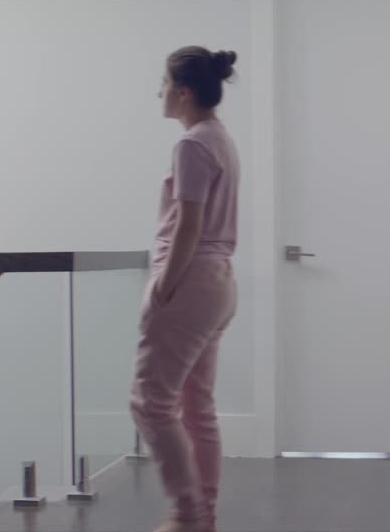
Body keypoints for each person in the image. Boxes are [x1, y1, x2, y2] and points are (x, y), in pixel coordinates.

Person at [129, 46, 241, 532]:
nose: (159, 91)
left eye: (164, 83)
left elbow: (188, 226)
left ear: (184, 92)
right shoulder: (221, 138)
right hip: (219, 282)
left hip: (191, 280)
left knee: (149, 401)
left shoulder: (193, 144)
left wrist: (162, 288)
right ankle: (203, 517)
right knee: (197, 407)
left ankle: (187, 515)